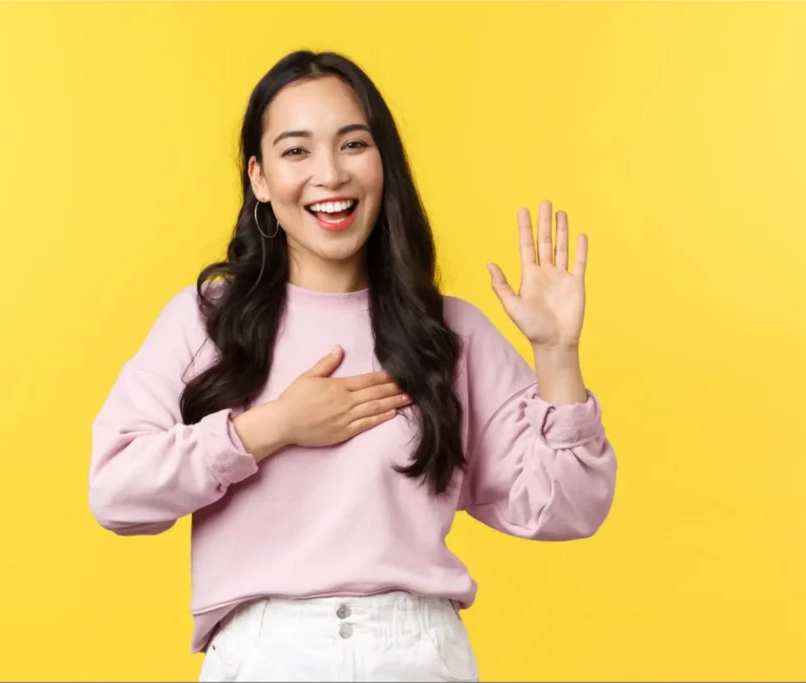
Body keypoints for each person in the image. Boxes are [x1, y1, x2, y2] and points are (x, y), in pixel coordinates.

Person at [89, 50, 617, 682]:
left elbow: (566, 511)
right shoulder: (206, 319)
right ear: (258, 178)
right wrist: (272, 427)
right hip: (266, 655)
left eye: (353, 144)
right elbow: (117, 493)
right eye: (296, 151)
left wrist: (558, 356)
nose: (330, 174)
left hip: (416, 653)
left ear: (384, 164)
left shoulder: (448, 332)